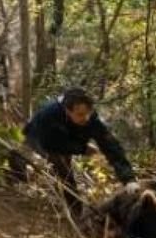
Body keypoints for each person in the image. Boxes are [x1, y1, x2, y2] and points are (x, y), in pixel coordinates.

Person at [21, 87, 137, 219]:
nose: (86, 118)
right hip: (37, 136)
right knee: (62, 167)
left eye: (89, 112)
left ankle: (75, 210)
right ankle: (75, 211)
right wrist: (82, 149)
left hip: (66, 137)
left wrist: (129, 179)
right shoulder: (48, 116)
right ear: (67, 110)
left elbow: (111, 147)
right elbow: (52, 145)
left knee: (65, 164)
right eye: (80, 114)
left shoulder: (91, 119)